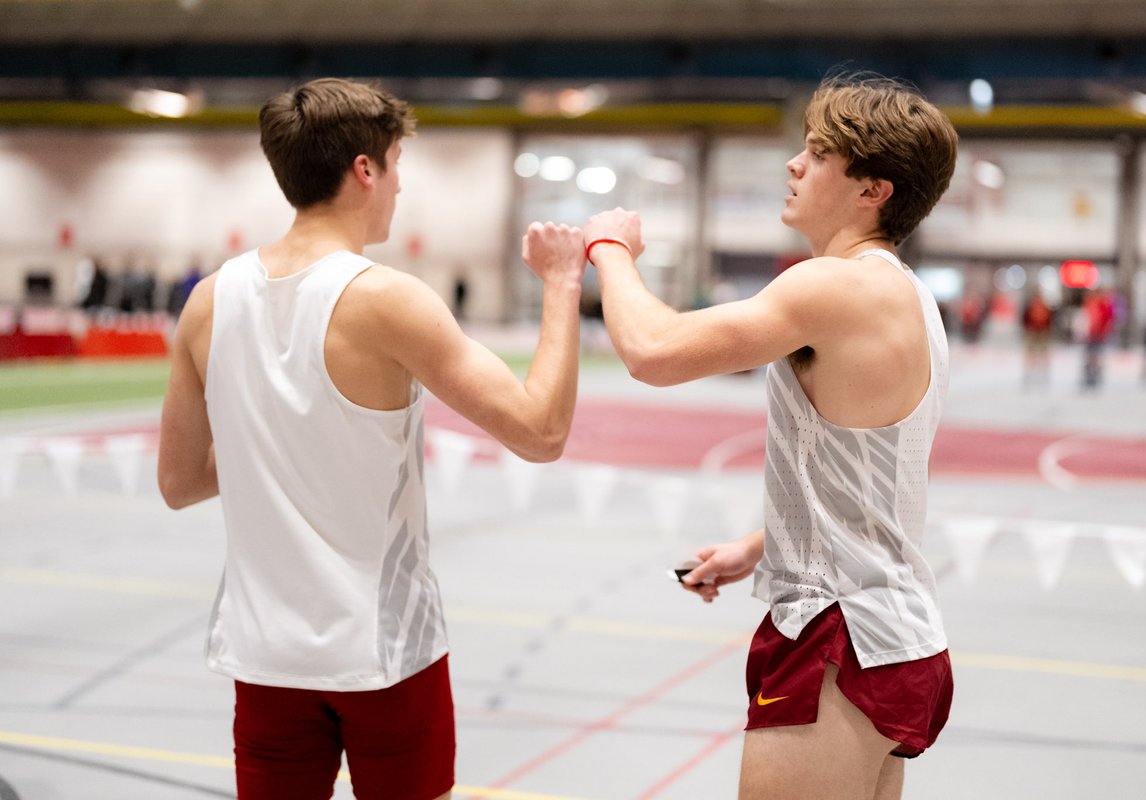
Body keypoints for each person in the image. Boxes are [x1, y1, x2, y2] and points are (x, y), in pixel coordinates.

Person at [156, 78, 585, 800]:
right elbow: (541, 431)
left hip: (264, 657)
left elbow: (180, 482)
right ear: (365, 170)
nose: (397, 189)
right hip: (384, 653)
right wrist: (564, 283)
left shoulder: (208, 300)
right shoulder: (386, 298)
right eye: (395, 168)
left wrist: (283, 438)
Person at [581, 73, 957, 800]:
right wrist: (759, 546)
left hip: (842, 636)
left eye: (818, 154)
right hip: (892, 634)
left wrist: (608, 248)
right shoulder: (905, 293)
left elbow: (652, 351)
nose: (793, 165)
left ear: (872, 189)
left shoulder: (835, 286)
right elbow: (871, 475)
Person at [1021, 287, 1055, 388]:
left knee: (1042, 354)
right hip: (1033, 332)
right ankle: (1031, 372)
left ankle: (1042, 373)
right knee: (1032, 354)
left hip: (1042, 332)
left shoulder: (1045, 307)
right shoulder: (1032, 306)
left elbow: (1050, 319)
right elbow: (1025, 318)